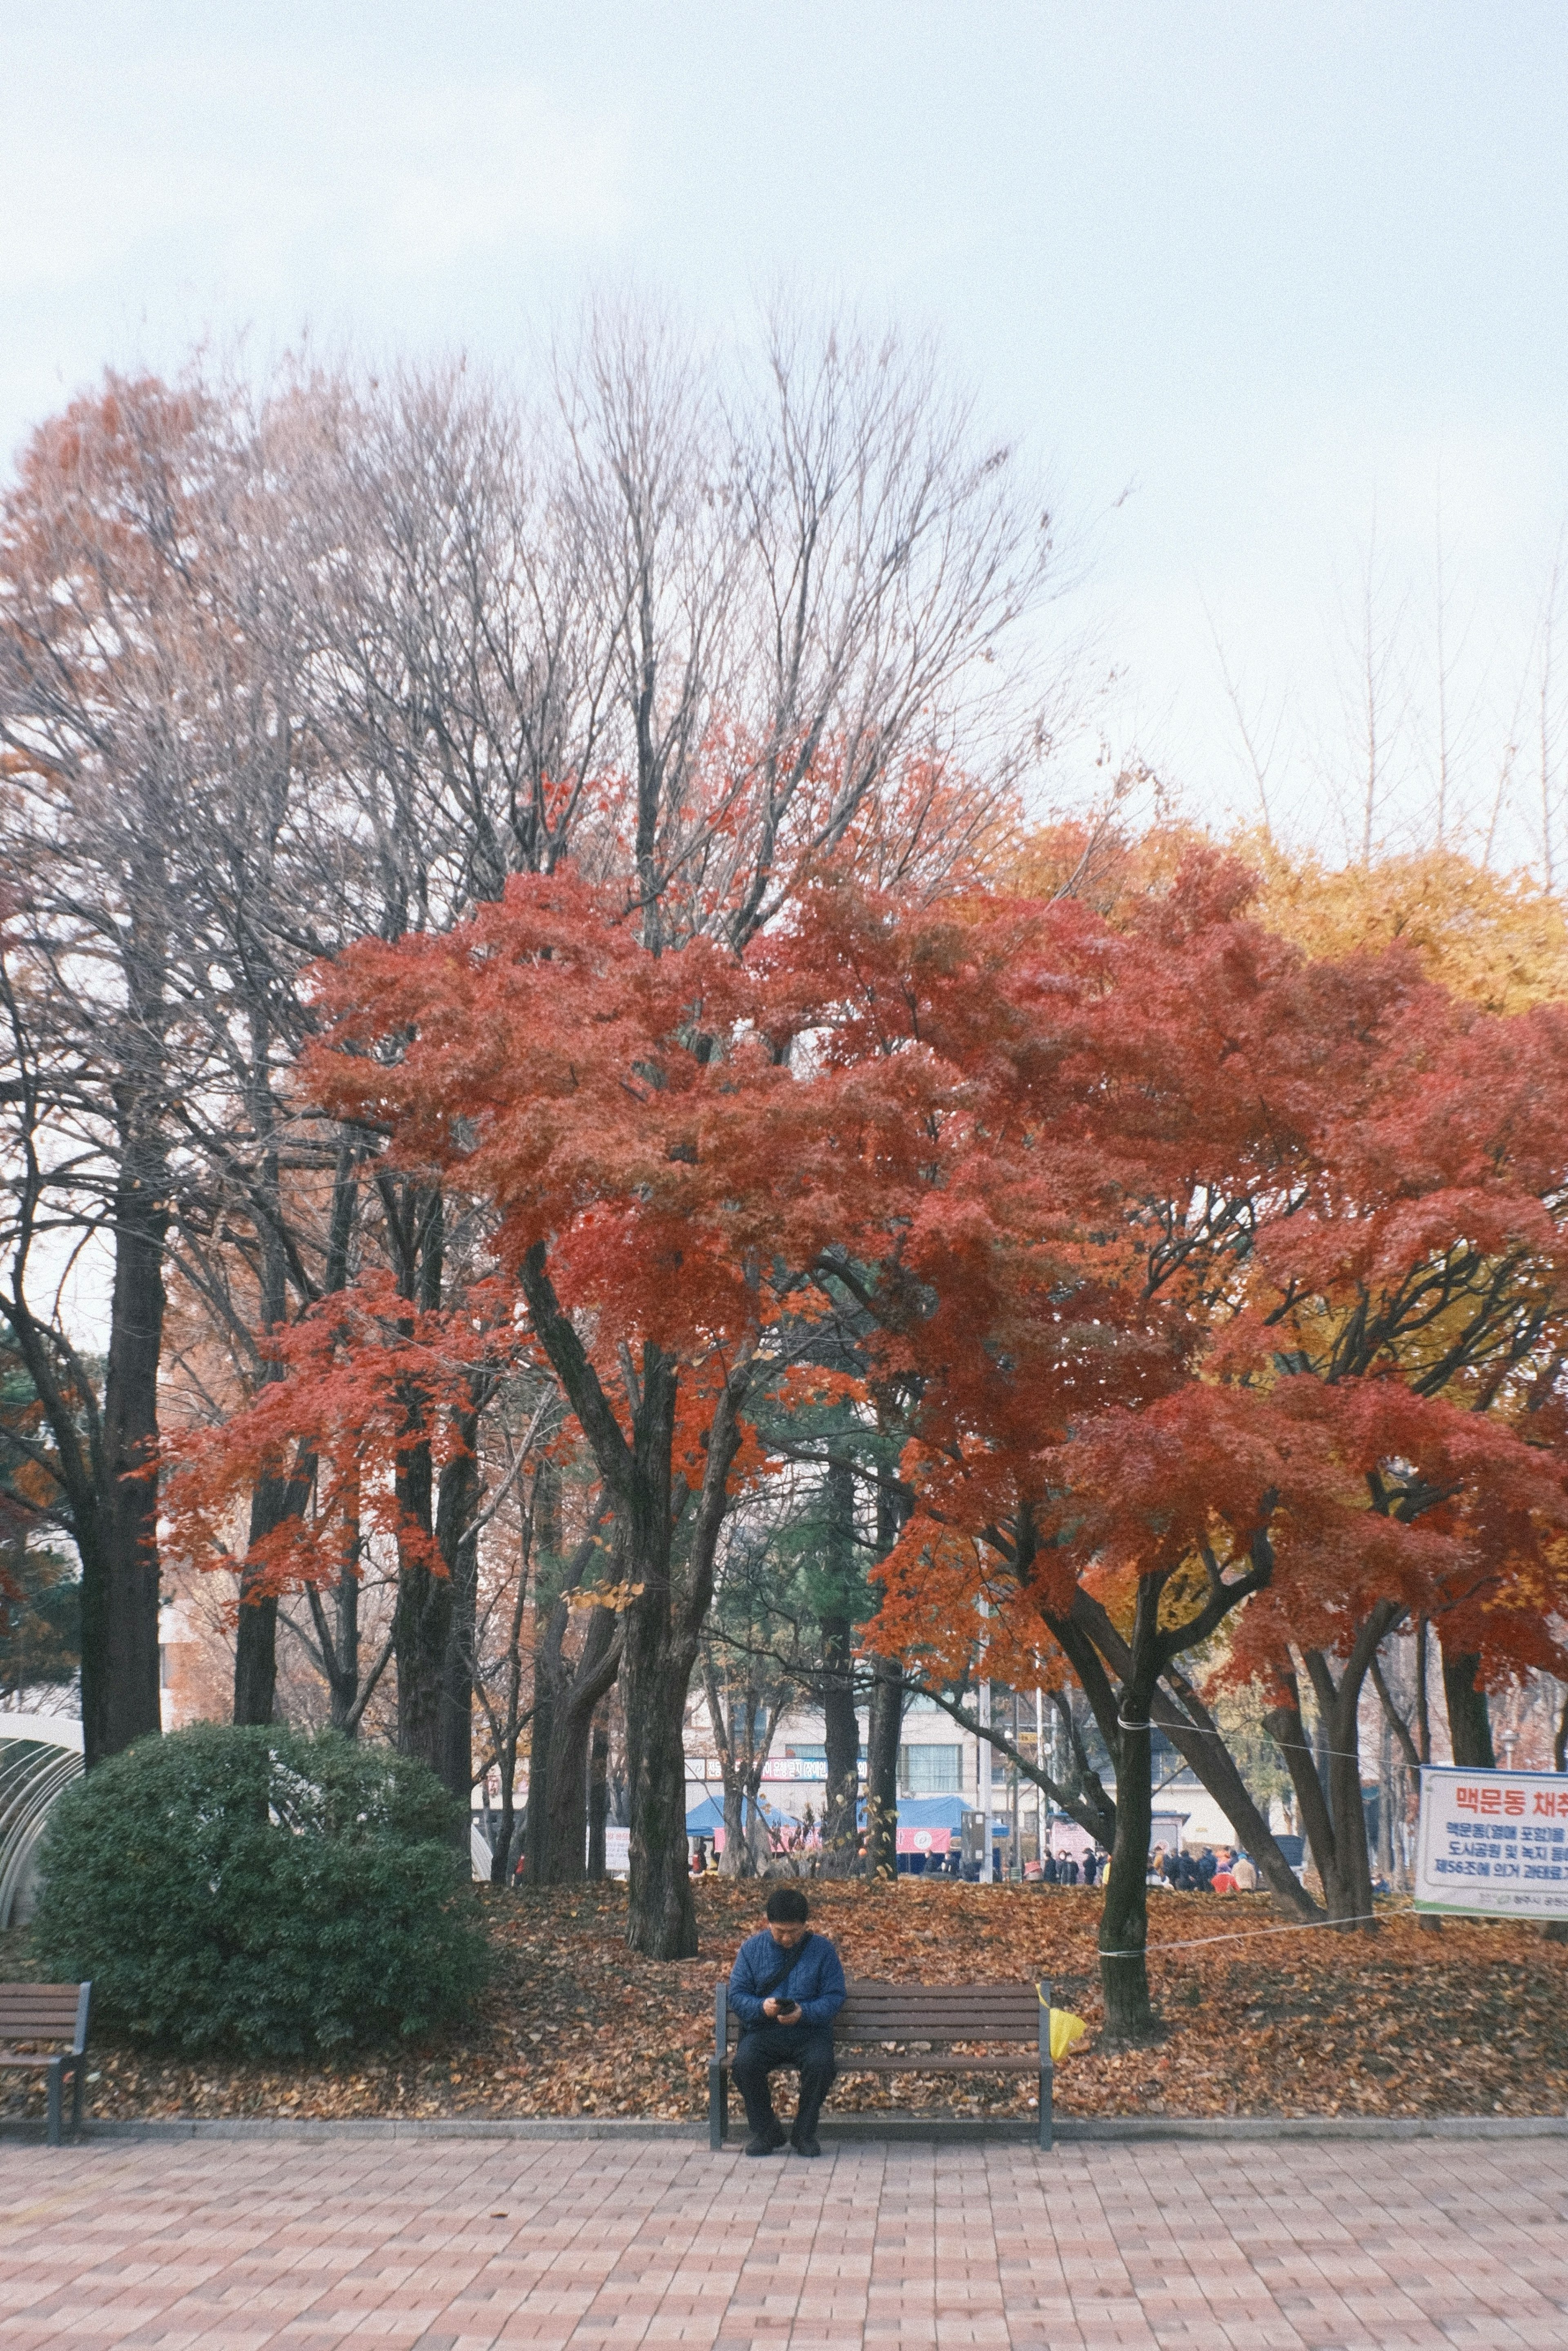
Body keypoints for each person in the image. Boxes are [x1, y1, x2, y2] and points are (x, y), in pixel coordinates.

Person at [727, 1886, 846, 2159]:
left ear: (805, 1925)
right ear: (768, 1923)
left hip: (809, 2032)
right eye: (780, 1931)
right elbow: (737, 1995)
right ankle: (767, 2131)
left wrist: (804, 2012)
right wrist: (761, 2007)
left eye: (793, 1932)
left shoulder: (822, 1951)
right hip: (765, 2031)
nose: (786, 1938)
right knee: (744, 2065)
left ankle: (804, 2134)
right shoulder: (751, 1950)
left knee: (821, 2066)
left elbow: (835, 1996)